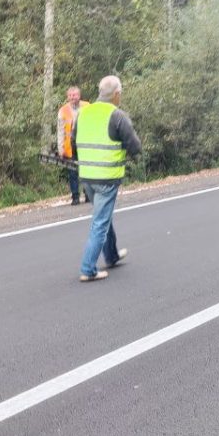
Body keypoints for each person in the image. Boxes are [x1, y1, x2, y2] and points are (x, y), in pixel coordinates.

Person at [74, 75, 141, 282]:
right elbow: (135, 146)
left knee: (104, 215)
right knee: (100, 221)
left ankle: (111, 255)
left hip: (86, 176)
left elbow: (73, 139)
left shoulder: (83, 113)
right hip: (107, 177)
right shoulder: (117, 115)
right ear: (117, 94)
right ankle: (88, 268)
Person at [57, 85, 88, 204]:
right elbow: (60, 130)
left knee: (86, 170)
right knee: (72, 172)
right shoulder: (63, 110)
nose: (72, 97)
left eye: (74, 95)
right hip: (70, 145)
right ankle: (75, 196)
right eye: (70, 95)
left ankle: (88, 194)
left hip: (85, 143)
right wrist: (61, 148)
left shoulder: (87, 106)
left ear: (79, 96)